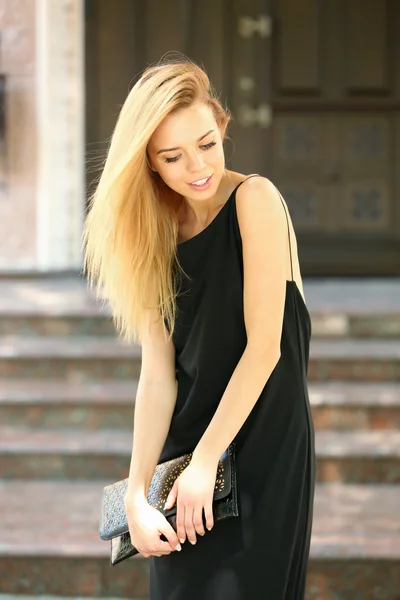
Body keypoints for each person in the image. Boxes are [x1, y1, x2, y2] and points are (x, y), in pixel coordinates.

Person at [83, 55, 316, 600]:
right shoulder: (152, 232)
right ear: (150, 164)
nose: (198, 167)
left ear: (222, 126)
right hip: (186, 455)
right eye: (173, 156)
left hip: (262, 447)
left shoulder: (254, 200)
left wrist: (207, 463)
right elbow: (158, 376)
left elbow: (264, 349)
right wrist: (138, 491)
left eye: (207, 144)